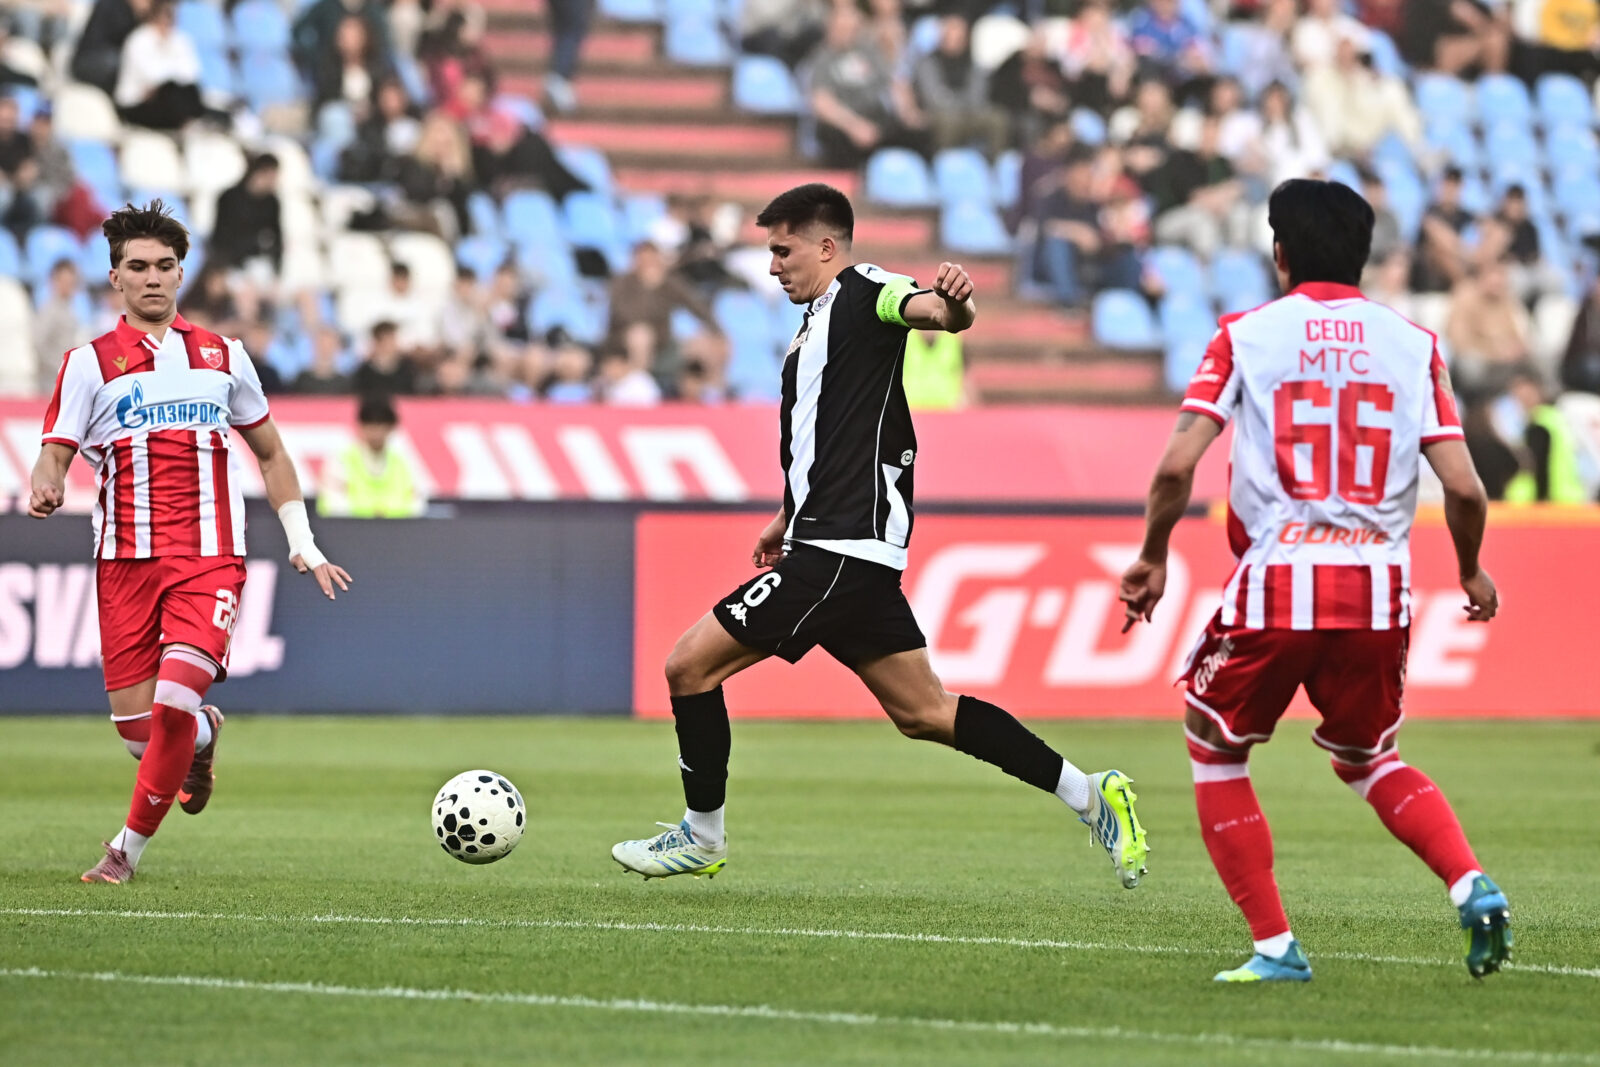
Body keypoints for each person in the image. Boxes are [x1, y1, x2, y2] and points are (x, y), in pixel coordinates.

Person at [610, 184, 1149, 889]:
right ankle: (1091, 793)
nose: (773, 266)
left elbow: (935, 312)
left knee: (688, 667)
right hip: (840, 547)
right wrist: (789, 512)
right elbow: (828, 435)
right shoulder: (816, 324)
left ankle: (702, 834)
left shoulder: (865, 290)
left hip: (837, 551)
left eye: (783, 250)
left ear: (825, 246)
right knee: (925, 712)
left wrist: (957, 302)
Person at [1119, 178, 1511, 982]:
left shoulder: (1245, 334)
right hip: (1378, 590)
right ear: (1362, 256)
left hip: (1280, 578)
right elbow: (1466, 488)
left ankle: (1275, 945)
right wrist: (1469, 567)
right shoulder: (1414, 344)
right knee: (1371, 756)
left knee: (1213, 742)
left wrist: (1153, 554)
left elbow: (1176, 466)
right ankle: (1470, 882)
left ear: (1280, 253)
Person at [27, 201, 352, 884]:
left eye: (165, 266)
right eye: (138, 266)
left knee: (172, 700)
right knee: (140, 735)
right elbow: (54, 451)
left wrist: (303, 539)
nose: (152, 277)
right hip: (123, 564)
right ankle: (203, 735)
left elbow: (271, 453)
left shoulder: (222, 356)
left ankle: (123, 853)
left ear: (181, 274)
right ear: (115, 277)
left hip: (209, 558)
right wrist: (47, 483)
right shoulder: (88, 364)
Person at [317, 393, 424, 517]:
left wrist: (383, 512)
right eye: (371, 425)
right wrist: (374, 512)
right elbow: (331, 504)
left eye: (381, 425)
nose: (376, 433)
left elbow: (417, 505)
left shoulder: (404, 462)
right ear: (361, 426)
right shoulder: (341, 460)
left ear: (391, 427)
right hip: (352, 528)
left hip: (396, 528)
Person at [113, 0, 206, 131]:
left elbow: (192, 73)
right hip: (138, 104)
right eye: (165, 14)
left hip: (166, 100)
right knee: (171, 91)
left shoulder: (180, 39)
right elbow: (152, 76)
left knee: (187, 91)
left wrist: (170, 76)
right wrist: (171, 73)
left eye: (171, 14)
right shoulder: (139, 39)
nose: (168, 19)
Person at [1502, 367, 1590, 504]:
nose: (1522, 402)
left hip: (1552, 501)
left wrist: (1535, 502)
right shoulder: (1556, 419)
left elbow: (1539, 469)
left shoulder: (1540, 425)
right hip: (1569, 498)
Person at [209, 153, 282, 275]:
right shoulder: (229, 198)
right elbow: (220, 239)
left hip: (259, 265)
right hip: (230, 266)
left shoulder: (272, 203)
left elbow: (277, 237)